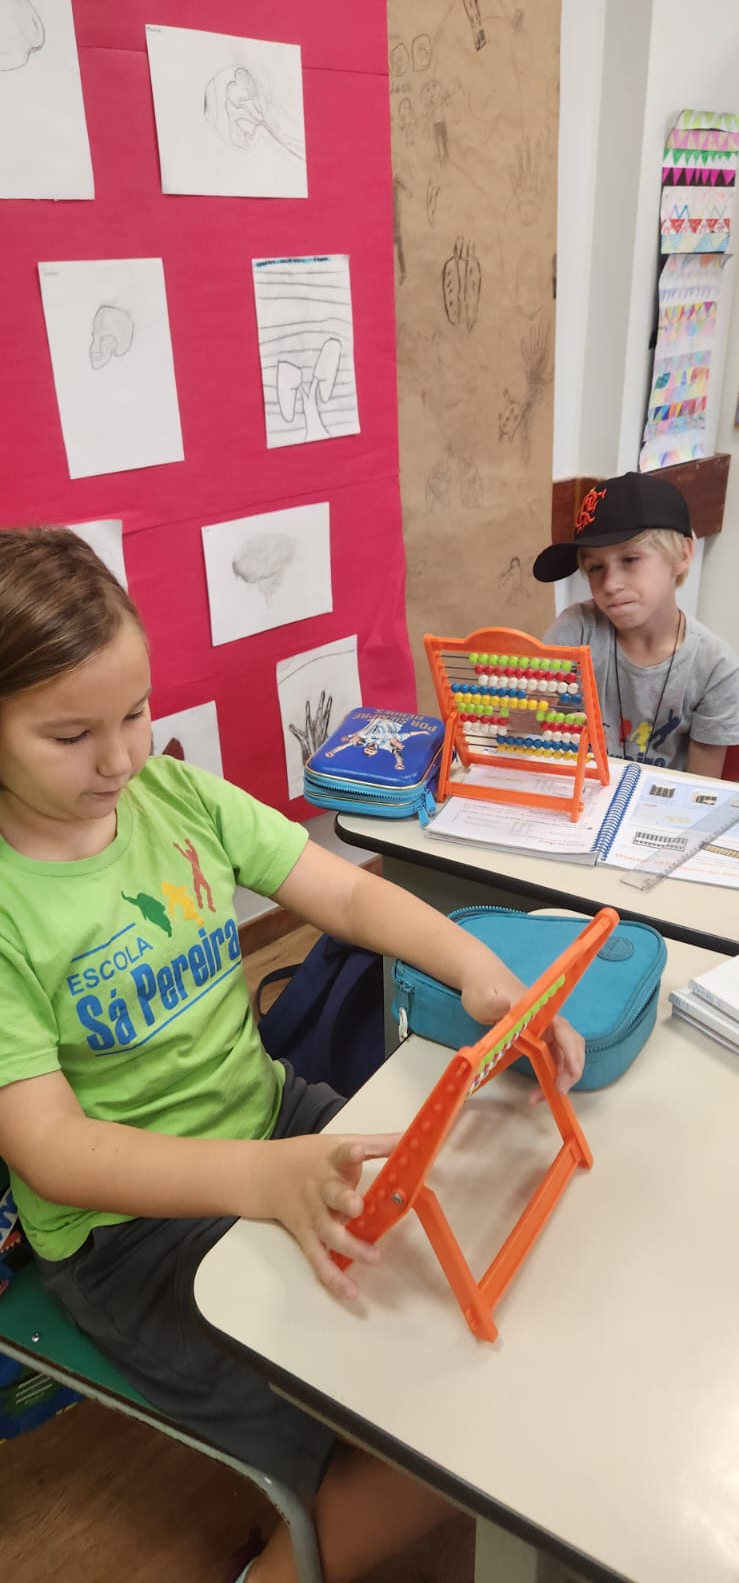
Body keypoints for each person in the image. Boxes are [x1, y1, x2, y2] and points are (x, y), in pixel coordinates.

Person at [0, 527, 584, 1583]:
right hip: (126, 1236)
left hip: (272, 1121)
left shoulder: (173, 799)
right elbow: (51, 1150)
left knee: (490, 1286)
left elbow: (347, 894)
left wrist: (479, 969)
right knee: (438, 1447)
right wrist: (259, 1179)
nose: (121, 759)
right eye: (71, 734)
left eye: (135, 713)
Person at [533, 471, 739, 776]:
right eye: (595, 567)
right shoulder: (575, 630)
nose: (610, 584)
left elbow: (700, 790)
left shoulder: (716, 669)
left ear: (682, 554)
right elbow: (523, 726)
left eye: (630, 559)